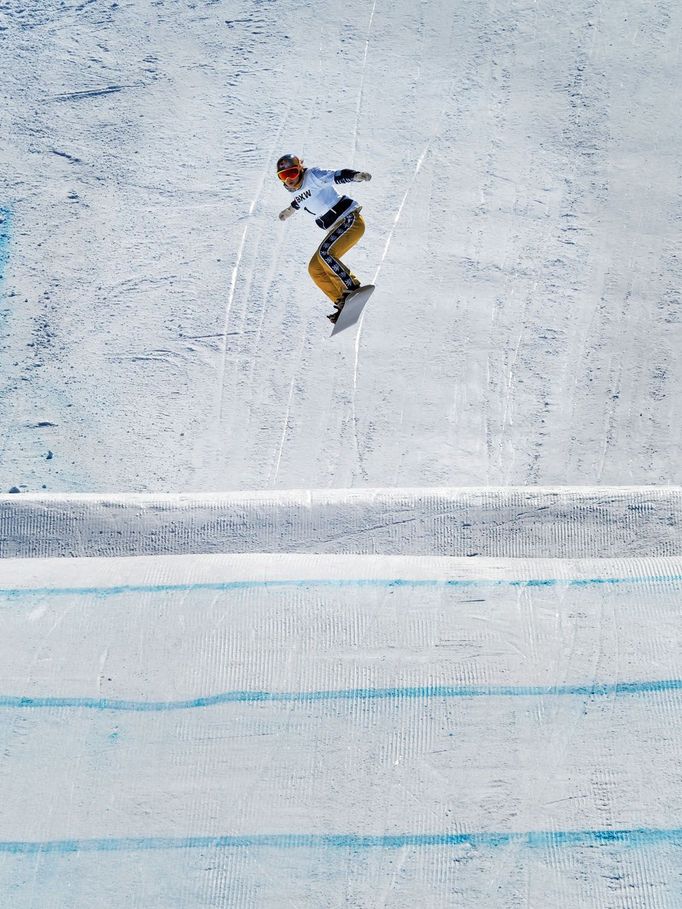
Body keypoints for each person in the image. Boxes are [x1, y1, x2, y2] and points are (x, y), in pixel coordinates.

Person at [276, 154, 372, 323]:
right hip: (337, 227)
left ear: (299, 168)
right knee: (315, 268)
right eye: (283, 176)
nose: (289, 179)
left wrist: (355, 176)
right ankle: (342, 303)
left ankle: (352, 288)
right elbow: (300, 201)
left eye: (291, 173)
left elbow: (336, 176)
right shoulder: (296, 191)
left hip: (350, 219)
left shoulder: (313, 176)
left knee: (325, 254)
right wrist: (288, 211)